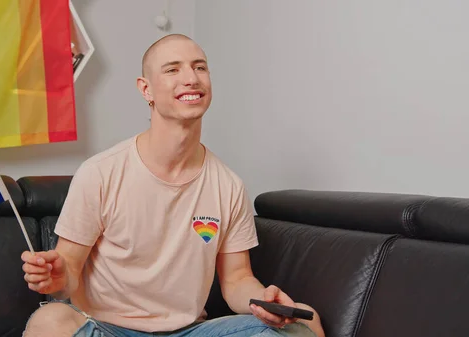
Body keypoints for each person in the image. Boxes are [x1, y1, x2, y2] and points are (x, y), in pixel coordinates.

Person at [21, 34, 325, 337]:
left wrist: (262, 301)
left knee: (305, 323)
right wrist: (58, 278)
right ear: (146, 89)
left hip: (188, 332)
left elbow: (236, 279)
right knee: (49, 322)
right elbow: (69, 270)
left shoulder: (229, 185)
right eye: (173, 69)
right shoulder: (100, 173)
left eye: (200, 68)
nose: (191, 78)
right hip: (108, 329)